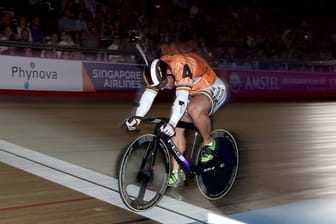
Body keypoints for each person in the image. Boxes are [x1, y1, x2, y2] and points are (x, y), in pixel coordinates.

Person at [125, 51, 228, 188]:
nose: (161, 89)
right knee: (176, 129)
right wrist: (137, 117)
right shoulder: (158, 69)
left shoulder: (180, 65)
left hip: (211, 86)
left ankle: (209, 144)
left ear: (169, 73)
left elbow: (181, 99)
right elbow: (149, 96)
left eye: (162, 85)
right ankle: (176, 171)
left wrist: (172, 123)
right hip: (191, 92)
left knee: (193, 110)